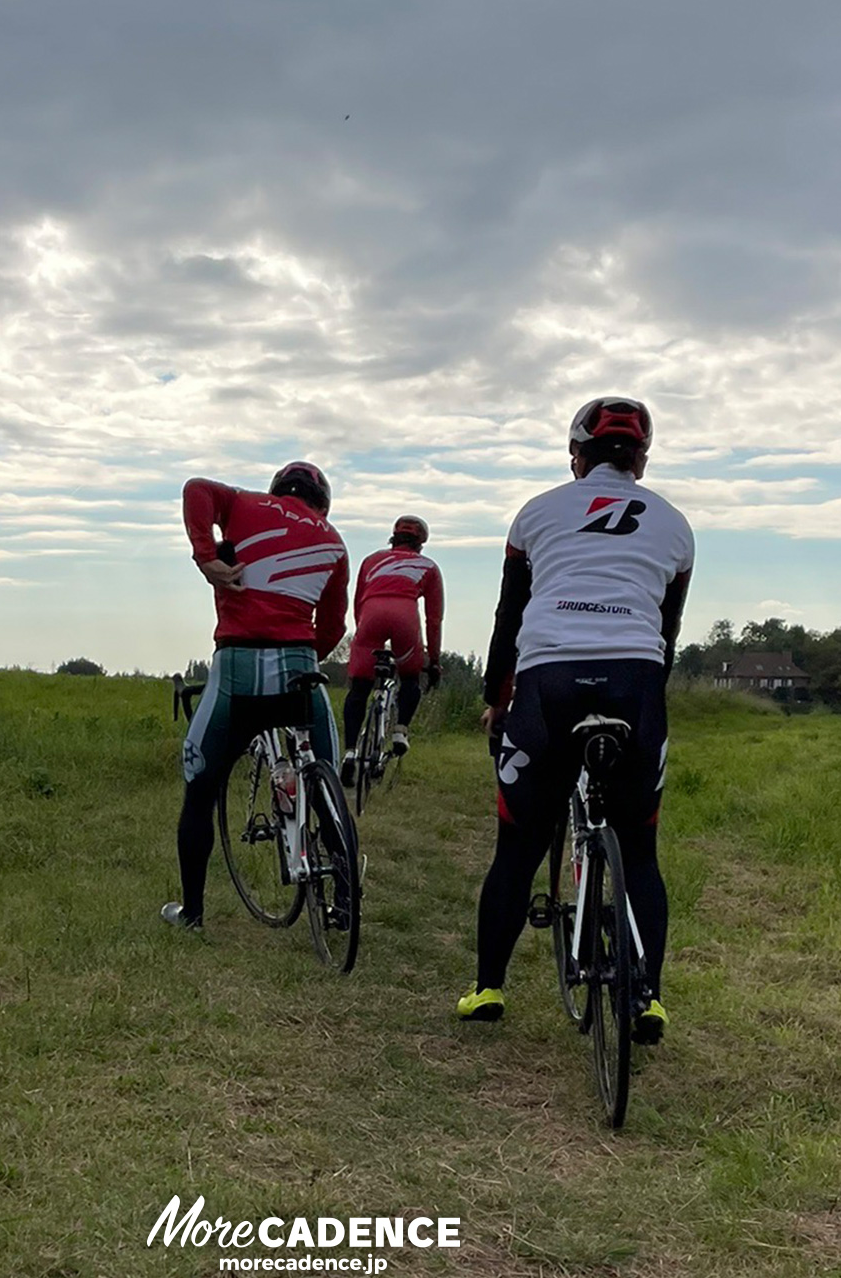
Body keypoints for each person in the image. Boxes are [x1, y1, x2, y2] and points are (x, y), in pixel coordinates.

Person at [459, 397, 694, 1030]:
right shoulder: (676, 526)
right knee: (640, 852)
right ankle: (646, 995)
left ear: (576, 458)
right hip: (635, 684)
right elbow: (667, 630)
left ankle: (487, 988)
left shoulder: (535, 513)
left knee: (518, 848)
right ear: (640, 462)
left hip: (547, 683)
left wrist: (495, 700)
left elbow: (510, 617)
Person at [167, 461, 350, 931]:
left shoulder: (244, 503)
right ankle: (345, 902)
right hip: (299, 673)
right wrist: (304, 653)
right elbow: (330, 627)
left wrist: (206, 557)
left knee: (200, 791)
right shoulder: (333, 540)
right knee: (328, 791)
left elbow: (195, 489)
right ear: (322, 503)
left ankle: (192, 912)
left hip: (237, 673)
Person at [340, 514, 445, 783]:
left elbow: (358, 603)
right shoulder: (429, 567)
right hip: (405, 617)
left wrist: (363, 637)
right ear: (421, 543)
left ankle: (350, 751)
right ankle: (400, 730)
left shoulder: (372, 560)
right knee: (410, 678)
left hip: (370, 616)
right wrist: (433, 661)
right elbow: (434, 620)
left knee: (359, 689)